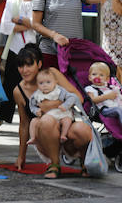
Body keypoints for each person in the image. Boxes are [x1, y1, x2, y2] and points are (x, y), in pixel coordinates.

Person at [13, 45, 93, 178]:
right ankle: (54, 164)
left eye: (29, 65)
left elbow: (78, 97)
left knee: (83, 130)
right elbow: (24, 124)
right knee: (46, 120)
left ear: (39, 64)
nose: (24, 70)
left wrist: (53, 104)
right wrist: (21, 156)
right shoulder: (18, 91)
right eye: (21, 66)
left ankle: (85, 162)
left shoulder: (52, 74)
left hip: (66, 127)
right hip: (45, 135)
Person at [0, 0, 37, 133]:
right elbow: (4, 26)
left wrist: (19, 22)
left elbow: (40, 25)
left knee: (34, 85)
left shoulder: (39, 0)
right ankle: (1, 117)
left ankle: (33, 119)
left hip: (33, 49)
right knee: (9, 84)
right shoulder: (12, 1)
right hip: (15, 48)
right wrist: (28, 25)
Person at [29, 67, 81, 145]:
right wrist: (36, 110)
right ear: (37, 84)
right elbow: (32, 105)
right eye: (41, 83)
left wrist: (65, 105)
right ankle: (33, 137)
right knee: (33, 121)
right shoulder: (37, 94)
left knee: (67, 120)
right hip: (46, 117)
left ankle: (63, 135)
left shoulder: (59, 91)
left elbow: (72, 97)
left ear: (55, 82)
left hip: (61, 114)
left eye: (48, 82)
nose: (45, 85)